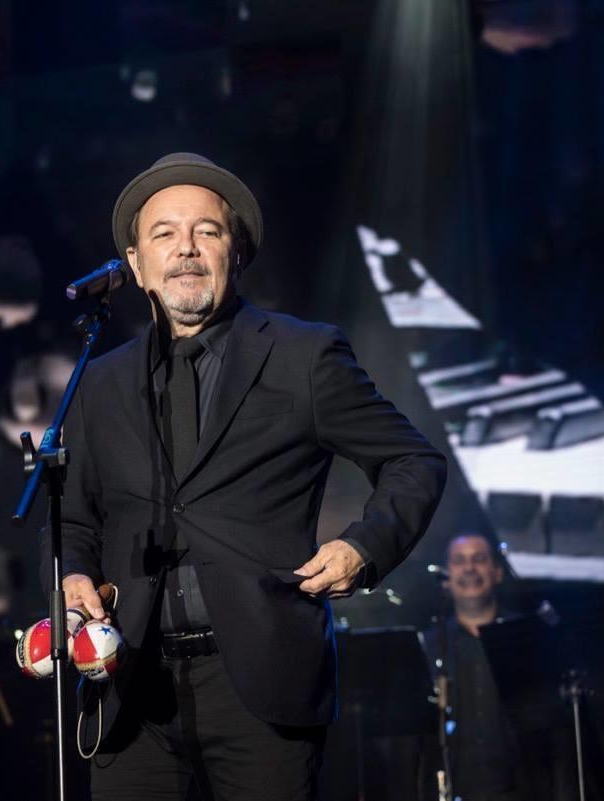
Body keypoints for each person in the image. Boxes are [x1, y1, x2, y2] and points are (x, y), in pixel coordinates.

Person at [40, 152, 447, 800]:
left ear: (238, 250)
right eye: (164, 234)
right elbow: (74, 515)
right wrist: (74, 574)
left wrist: (362, 548)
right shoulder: (99, 381)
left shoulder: (302, 354)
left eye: (207, 230)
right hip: (129, 682)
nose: (186, 249)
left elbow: (414, 459)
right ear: (137, 263)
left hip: (264, 678)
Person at [422, 533, 579, 801]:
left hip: (526, 790)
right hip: (455, 790)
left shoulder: (527, 635)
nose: (470, 568)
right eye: (460, 561)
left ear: (497, 573)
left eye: (479, 559)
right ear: (446, 579)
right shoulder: (430, 644)